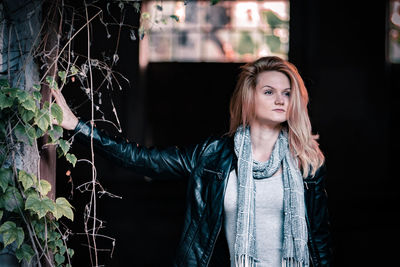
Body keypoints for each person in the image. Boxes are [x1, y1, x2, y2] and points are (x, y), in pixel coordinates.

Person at [52, 56, 332, 267]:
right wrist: (77, 126)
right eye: (269, 92)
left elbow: (319, 239)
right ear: (249, 98)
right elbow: (145, 161)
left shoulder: (306, 161)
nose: (280, 100)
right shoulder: (214, 155)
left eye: (287, 93)